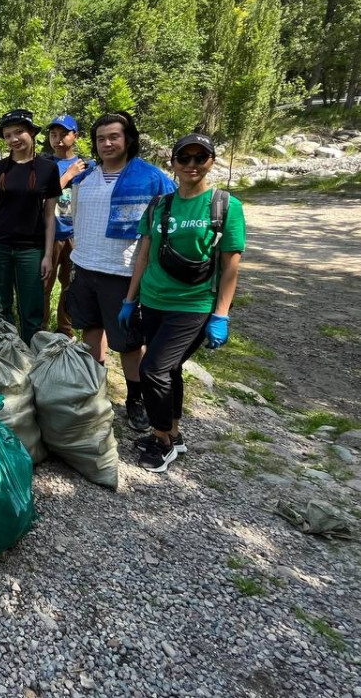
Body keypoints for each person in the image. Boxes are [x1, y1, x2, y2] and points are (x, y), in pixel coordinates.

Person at [121, 134, 245, 471]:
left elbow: (230, 264)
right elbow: (144, 255)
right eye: (184, 158)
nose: (191, 165)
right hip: (154, 301)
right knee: (169, 369)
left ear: (210, 162)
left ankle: (162, 442)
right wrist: (130, 300)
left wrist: (221, 314)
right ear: (173, 163)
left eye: (199, 158)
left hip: (193, 305)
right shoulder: (161, 205)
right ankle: (173, 433)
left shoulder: (225, 206)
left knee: (153, 369)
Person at [66, 111, 175, 431]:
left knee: (128, 342)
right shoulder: (85, 178)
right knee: (90, 330)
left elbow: (168, 222)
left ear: (128, 139)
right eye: (101, 139)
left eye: (114, 137)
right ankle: (95, 390)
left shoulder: (151, 178)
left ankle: (135, 400)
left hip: (124, 272)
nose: (107, 144)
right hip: (85, 267)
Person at [0, 110, 61, 346]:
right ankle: (7, 353)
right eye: (8, 135)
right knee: (1, 306)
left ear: (32, 132)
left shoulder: (48, 169)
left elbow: (50, 216)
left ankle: (31, 355)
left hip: (30, 248)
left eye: (19, 132)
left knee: (32, 307)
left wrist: (48, 255)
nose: (14, 139)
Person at [42, 115, 84, 336]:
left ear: (75, 136)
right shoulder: (44, 164)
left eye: (63, 134)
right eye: (53, 134)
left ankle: (65, 330)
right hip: (49, 234)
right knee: (44, 285)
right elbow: (42, 194)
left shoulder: (86, 166)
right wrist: (68, 175)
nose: (57, 139)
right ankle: (39, 329)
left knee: (70, 286)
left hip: (74, 235)